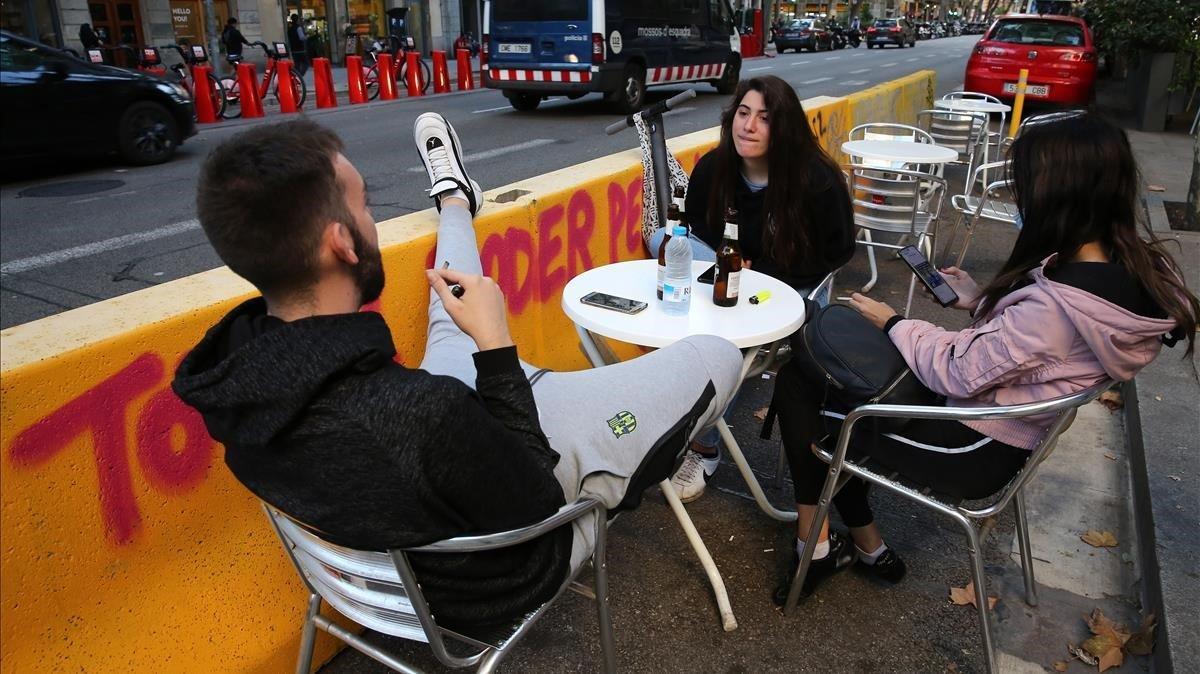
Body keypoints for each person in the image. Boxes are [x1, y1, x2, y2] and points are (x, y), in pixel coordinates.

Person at [172, 115, 742, 628]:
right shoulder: (420, 412)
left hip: (396, 552)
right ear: (342, 243)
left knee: (449, 319)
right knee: (716, 353)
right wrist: (495, 344)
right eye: (365, 206)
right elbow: (537, 498)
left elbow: (420, 422)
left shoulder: (234, 386)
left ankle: (453, 200)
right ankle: (619, 443)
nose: (373, 221)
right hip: (502, 573)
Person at [772, 112, 1199, 601]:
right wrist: (978, 299)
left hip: (972, 447)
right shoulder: (1115, 265)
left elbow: (959, 370)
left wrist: (894, 322)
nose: (1017, 198)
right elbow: (1035, 346)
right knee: (830, 391)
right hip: (999, 423)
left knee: (805, 395)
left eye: (1024, 187)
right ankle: (867, 544)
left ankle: (817, 548)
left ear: (1060, 194)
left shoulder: (1056, 308)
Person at [649, 75, 857, 503]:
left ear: (785, 127)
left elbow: (837, 252)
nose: (749, 125)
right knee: (661, 242)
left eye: (764, 118)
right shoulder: (714, 167)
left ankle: (703, 448)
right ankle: (675, 412)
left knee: (716, 342)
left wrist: (761, 271)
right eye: (743, 113)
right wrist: (731, 260)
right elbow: (699, 227)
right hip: (728, 273)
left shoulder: (816, 182)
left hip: (791, 288)